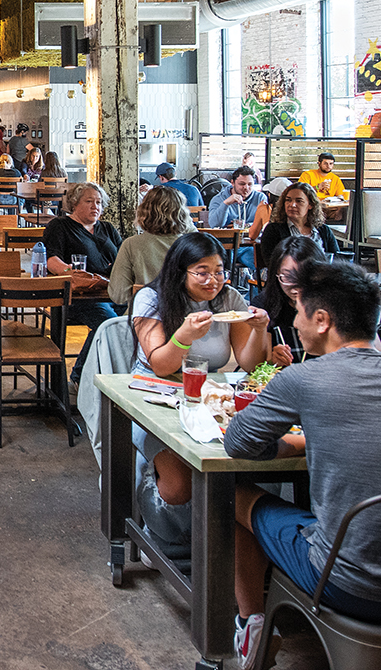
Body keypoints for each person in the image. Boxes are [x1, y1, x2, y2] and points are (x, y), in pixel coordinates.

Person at [225, 261, 381, 669]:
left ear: (322, 320)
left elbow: (239, 442)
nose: (297, 323)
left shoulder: (304, 378)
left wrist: (294, 445)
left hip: (349, 585)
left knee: (232, 494)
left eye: (300, 312)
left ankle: (251, 624)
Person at [128, 233, 277, 563]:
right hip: (154, 398)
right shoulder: (152, 299)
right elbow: (160, 364)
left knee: (240, 468)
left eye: (220, 270)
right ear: (181, 271)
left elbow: (251, 363)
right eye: (202, 271)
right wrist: (182, 336)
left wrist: (258, 329)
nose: (214, 280)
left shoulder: (229, 299)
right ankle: (157, 529)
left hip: (209, 401)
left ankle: (221, 543)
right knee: (178, 486)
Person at [42, 181, 122, 381]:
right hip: (81, 296)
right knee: (109, 323)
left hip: (112, 291)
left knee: (139, 318)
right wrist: (74, 273)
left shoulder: (107, 228)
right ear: (75, 203)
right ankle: (80, 376)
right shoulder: (60, 226)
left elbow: (124, 258)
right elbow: (52, 260)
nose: (96, 206)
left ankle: (120, 374)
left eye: (99, 202)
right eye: (89, 201)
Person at [107, 185, 195, 307]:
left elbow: (119, 295)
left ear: (143, 211)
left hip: (143, 319)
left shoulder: (131, 245)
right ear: (183, 213)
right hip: (188, 318)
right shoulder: (193, 245)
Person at [252, 234, 329, 342]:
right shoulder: (263, 305)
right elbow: (256, 356)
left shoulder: (332, 306)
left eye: (303, 276)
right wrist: (271, 354)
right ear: (276, 274)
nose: (295, 285)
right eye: (287, 277)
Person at [254, 181, 339, 264]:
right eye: (288, 200)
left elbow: (337, 259)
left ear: (310, 205)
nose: (292, 205)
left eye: (299, 201)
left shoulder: (323, 230)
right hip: (287, 276)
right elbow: (272, 263)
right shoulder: (274, 230)